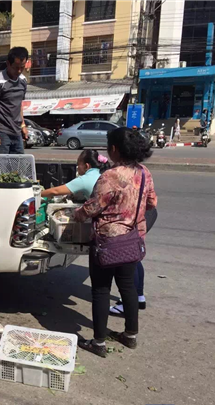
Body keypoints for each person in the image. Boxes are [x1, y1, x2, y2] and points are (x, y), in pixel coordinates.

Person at [74, 127, 157, 357]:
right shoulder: (144, 172)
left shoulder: (110, 176)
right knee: (128, 286)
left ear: (114, 149)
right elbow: (152, 202)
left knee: (101, 290)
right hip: (132, 240)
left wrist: (75, 214)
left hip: (107, 242)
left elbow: (93, 207)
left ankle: (98, 343)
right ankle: (130, 336)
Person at [110, 208, 158, 316]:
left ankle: (128, 304)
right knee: (134, 257)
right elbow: (152, 200)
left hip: (131, 218)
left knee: (128, 259)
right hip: (143, 215)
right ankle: (139, 297)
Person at [0, 47, 30, 162]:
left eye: (22, 67)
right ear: (8, 64)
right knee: (0, 170)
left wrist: (23, 125)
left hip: (17, 131)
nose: (19, 71)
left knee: (18, 168)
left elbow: (18, 105)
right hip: (1, 132)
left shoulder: (23, 81)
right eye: (16, 67)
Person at [40, 149, 110, 201]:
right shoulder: (104, 173)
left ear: (86, 166)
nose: (77, 167)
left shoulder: (84, 179)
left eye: (78, 164)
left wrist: (37, 194)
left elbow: (55, 191)